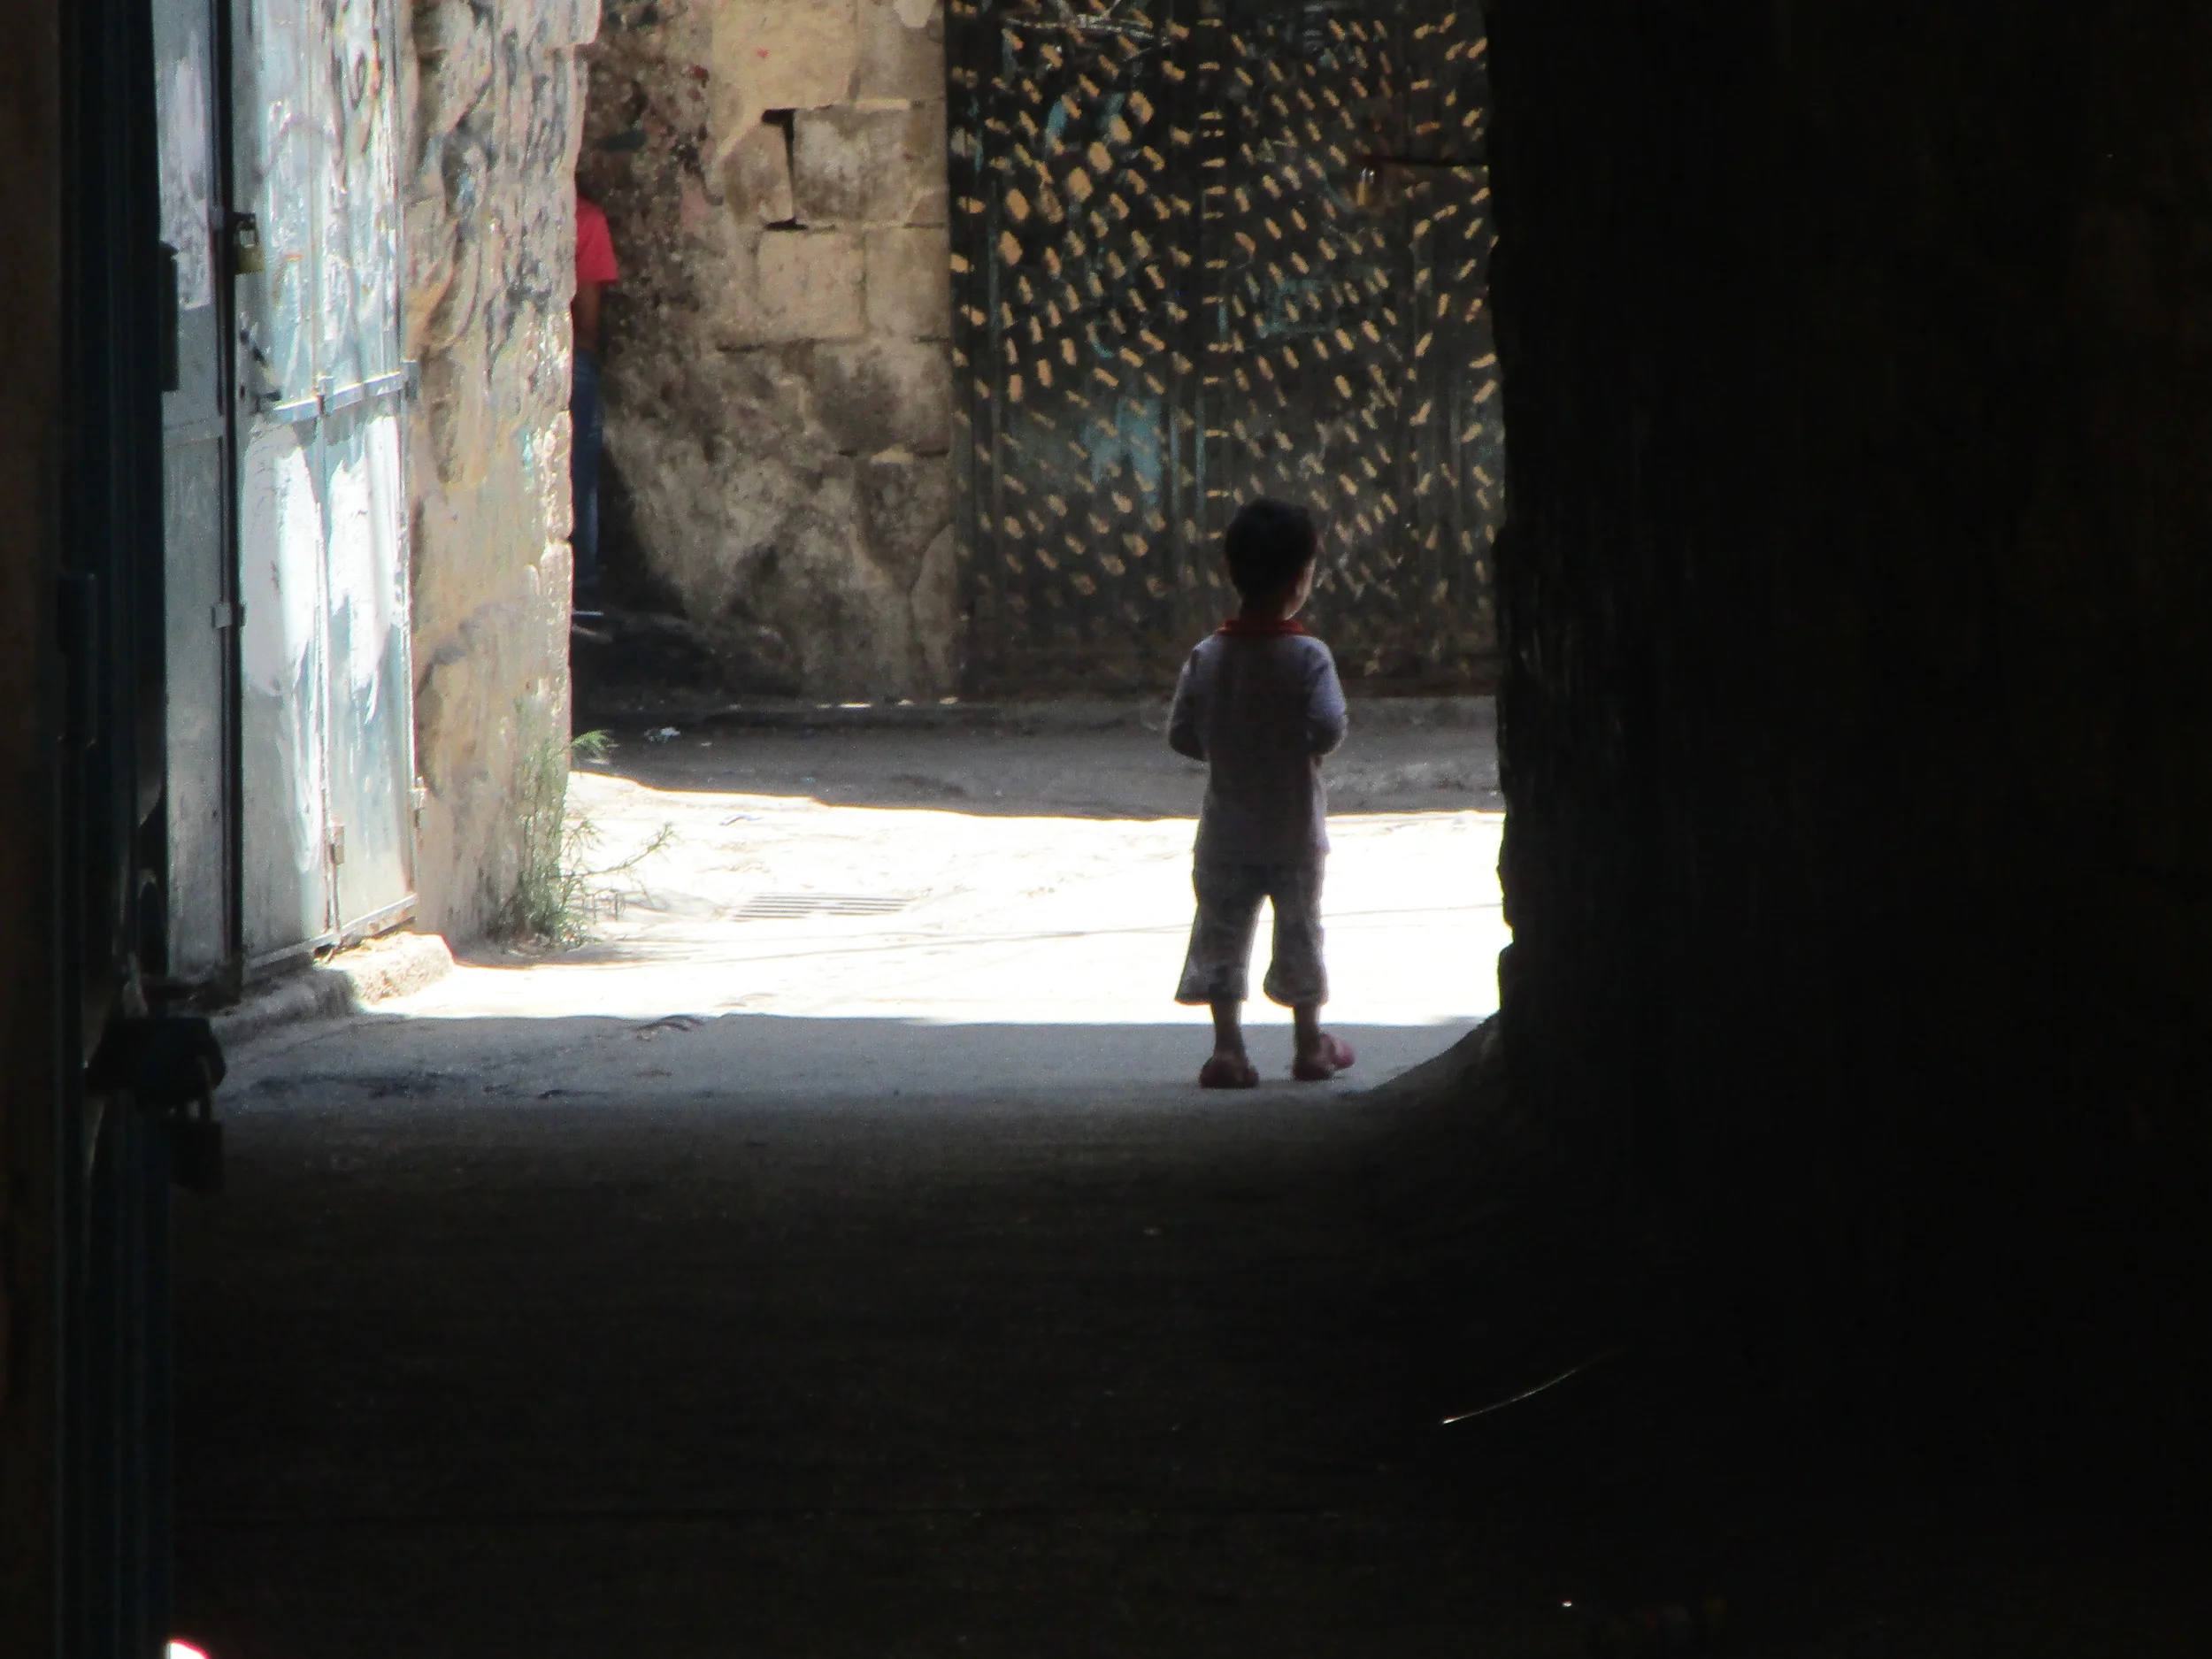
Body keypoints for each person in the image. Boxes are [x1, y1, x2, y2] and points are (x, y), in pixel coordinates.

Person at [1167, 497, 1356, 1087]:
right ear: (1301, 579)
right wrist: (1292, 746)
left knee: (1222, 934)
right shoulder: (1308, 657)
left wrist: (1228, 747)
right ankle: (1308, 1045)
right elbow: (1328, 726)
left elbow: (1181, 734)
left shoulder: (1207, 656)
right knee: (1300, 931)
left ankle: (1228, 1048)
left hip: (1224, 834)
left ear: (1230, 570)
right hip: (1294, 832)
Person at [572, 195, 619, 614]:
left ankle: (582, 579)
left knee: (580, 385)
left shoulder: (586, 221)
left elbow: (586, 331)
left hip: (563, 357)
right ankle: (582, 580)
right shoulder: (585, 219)